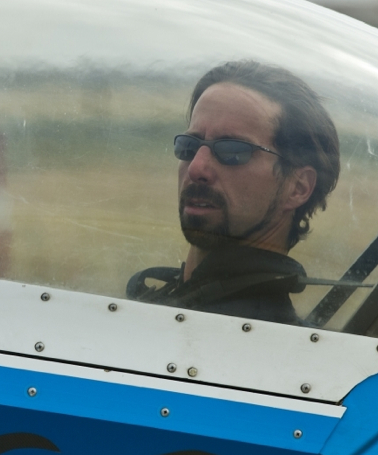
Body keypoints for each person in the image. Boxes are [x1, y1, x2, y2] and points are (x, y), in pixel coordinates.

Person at [127, 61, 340, 324]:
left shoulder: (249, 335)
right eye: (188, 146)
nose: (196, 168)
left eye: (232, 151)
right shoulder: (179, 307)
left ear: (298, 187)